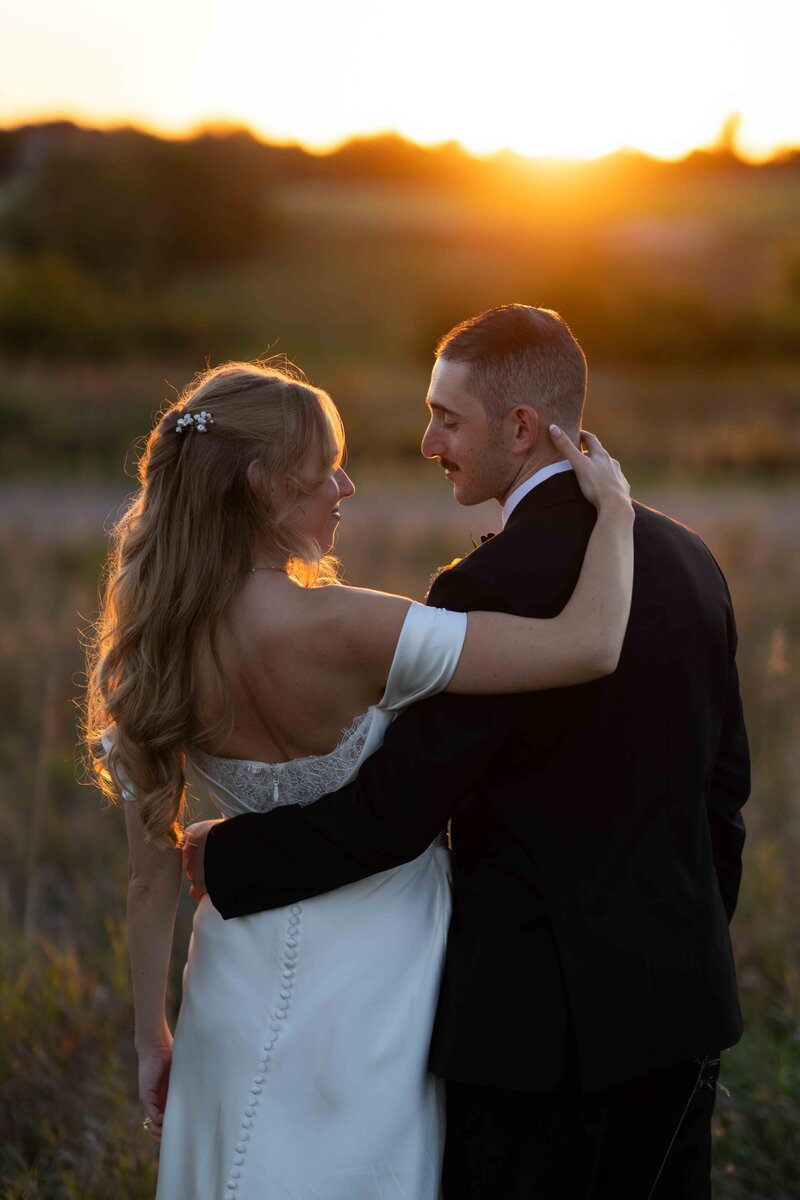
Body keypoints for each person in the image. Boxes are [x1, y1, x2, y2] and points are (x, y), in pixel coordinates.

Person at [187, 305, 750, 1200]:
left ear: (521, 428)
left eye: (447, 417)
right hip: (681, 1018)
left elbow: (395, 817)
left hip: (528, 1042)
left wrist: (230, 857)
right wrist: (681, 950)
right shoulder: (689, 559)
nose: (426, 441)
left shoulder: (483, 585)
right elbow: (724, 798)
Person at [86, 354, 633, 1200]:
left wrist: (152, 1037)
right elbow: (591, 644)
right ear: (265, 486)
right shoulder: (350, 626)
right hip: (381, 986)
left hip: (233, 978)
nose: (345, 487)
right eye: (323, 472)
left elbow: (148, 873)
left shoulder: (148, 649)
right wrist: (620, 517)